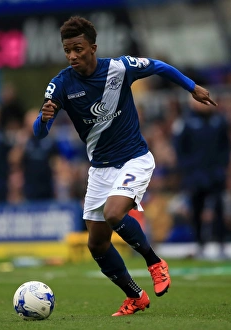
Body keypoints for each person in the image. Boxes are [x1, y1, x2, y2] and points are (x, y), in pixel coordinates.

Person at [33, 16, 217, 316]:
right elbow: (39, 133)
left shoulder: (119, 68)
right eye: (67, 50)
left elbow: (159, 65)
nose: (72, 56)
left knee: (114, 213)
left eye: (78, 48)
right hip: (99, 170)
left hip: (134, 158)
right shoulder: (60, 84)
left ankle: (154, 261)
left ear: (93, 47)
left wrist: (192, 87)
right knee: (96, 244)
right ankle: (136, 296)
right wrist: (43, 117)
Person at [172, 97, 230, 259]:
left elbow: (224, 146)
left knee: (219, 208)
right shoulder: (185, 122)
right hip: (195, 175)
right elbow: (179, 148)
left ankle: (221, 244)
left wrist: (222, 167)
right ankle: (199, 244)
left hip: (215, 174)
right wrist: (188, 169)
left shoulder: (219, 121)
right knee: (196, 209)